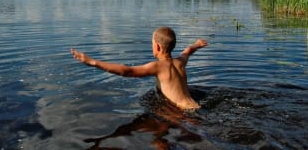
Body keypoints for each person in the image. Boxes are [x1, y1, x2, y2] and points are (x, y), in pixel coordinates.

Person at [71, 26, 208, 110]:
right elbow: (188, 51)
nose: (151, 46)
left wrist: (93, 62)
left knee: (160, 139)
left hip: (181, 112)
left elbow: (128, 71)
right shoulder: (180, 62)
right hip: (195, 106)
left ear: (157, 47)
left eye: (152, 43)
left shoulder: (157, 67)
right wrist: (197, 44)